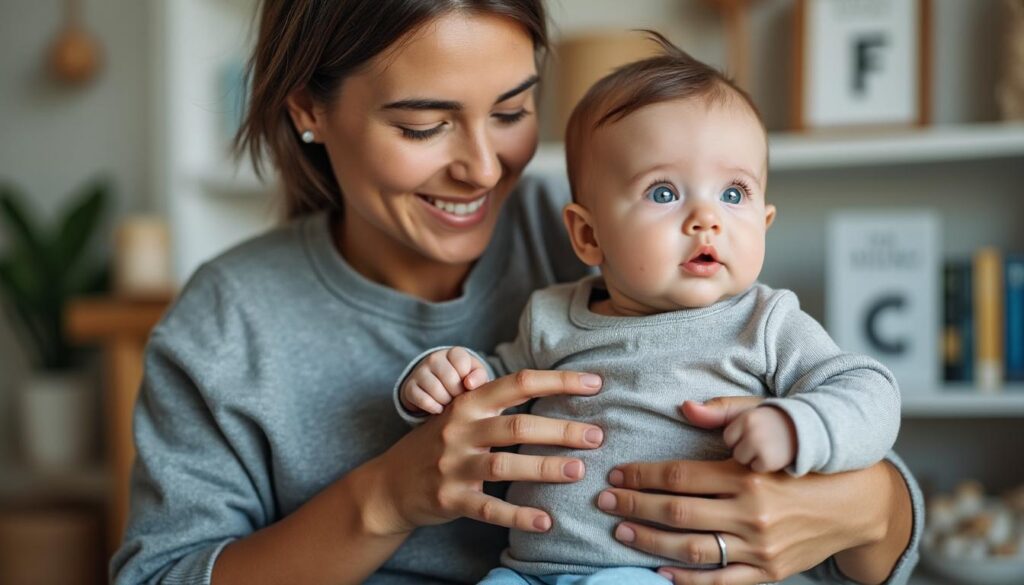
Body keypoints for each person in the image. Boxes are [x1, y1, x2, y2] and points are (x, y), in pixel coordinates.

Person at [110, 2, 922, 584]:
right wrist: (386, 497)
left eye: (512, 109)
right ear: (308, 111)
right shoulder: (229, 321)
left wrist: (862, 509)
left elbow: (879, 506)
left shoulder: (640, 241)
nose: (485, 167)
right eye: (423, 125)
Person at [393, 34, 904, 584]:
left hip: (663, 574)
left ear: (764, 222)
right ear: (589, 236)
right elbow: (495, 395)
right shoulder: (549, 316)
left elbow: (870, 391)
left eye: (734, 194)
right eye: (664, 193)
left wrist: (799, 424)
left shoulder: (765, 323)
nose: (706, 219)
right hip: (530, 571)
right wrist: (448, 377)